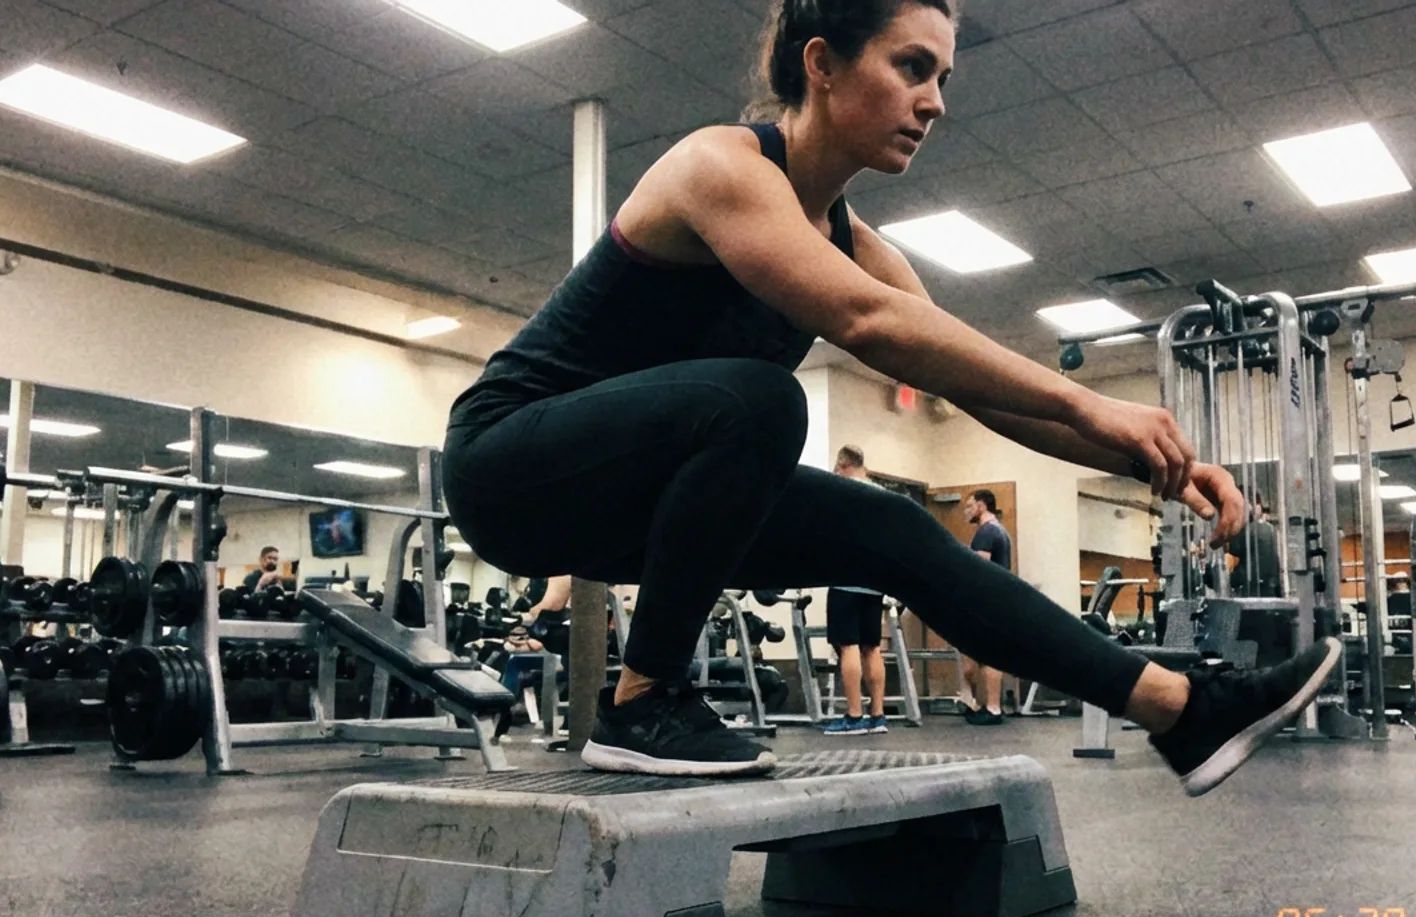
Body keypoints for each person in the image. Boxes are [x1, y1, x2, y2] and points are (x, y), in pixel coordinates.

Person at [440, 0, 1341, 795]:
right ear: (822, 63)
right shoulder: (718, 166)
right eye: (912, 67)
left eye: (941, 77)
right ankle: (644, 703)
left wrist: (1154, 459)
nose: (935, 101)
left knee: (894, 529)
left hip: (635, 493)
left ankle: (1180, 711)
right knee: (759, 402)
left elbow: (977, 389)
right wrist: (1090, 403)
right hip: (507, 469)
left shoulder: (860, 246)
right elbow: (866, 321)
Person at [822, 445, 889, 736]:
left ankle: (854, 715)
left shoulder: (841, 492)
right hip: (874, 583)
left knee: (847, 645)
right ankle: (878, 715)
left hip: (846, 579)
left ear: (843, 464)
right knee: (872, 647)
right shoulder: (882, 496)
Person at [956, 489, 1010, 725]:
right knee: (978, 655)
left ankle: (993, 708)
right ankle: (975, 702)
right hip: (996, 601)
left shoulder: (986, 532)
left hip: (987, 602)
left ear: (981, 505)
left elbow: (978, 572)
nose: (966, 511)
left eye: (970, 506)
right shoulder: (999, 530)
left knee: (989, 656)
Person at [1228, 492, 1280, 597]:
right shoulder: (1271, 529)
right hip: (1270, 586)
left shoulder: (1249, 531)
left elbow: (1232, 548)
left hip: (1251, 585)